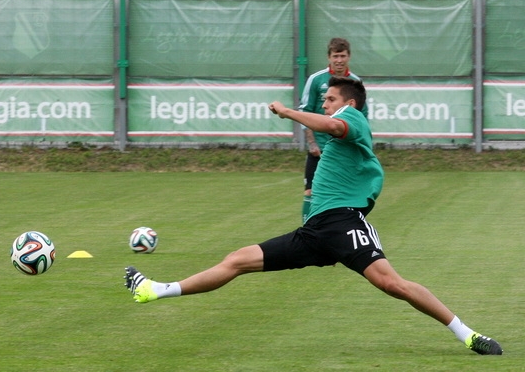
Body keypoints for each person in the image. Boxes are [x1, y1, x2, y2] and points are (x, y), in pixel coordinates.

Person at [124, 77, 503, 356]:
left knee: (394, 285)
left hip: (345, 224)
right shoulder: (340, 132)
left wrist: (289, 112)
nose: (325, 103)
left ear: (349, 102)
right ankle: (154, 290)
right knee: (238, 260)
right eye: (324, 99)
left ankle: (468, 334)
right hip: (316, 232)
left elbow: (333, 124)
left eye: (330, 98)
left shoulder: (352, 119)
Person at [299, 38, 364, 224]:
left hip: (344, 150)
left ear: (349, 57)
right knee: (311, 191)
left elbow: (361, 117)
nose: (339, 60)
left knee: (345, 193)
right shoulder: (316, 80)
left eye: (343, 56)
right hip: (319, 148)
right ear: (329, 57)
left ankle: (345, 229)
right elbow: (306, 110)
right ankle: (308, 229)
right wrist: (312, 142)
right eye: (335, 56)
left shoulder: (355, 82)